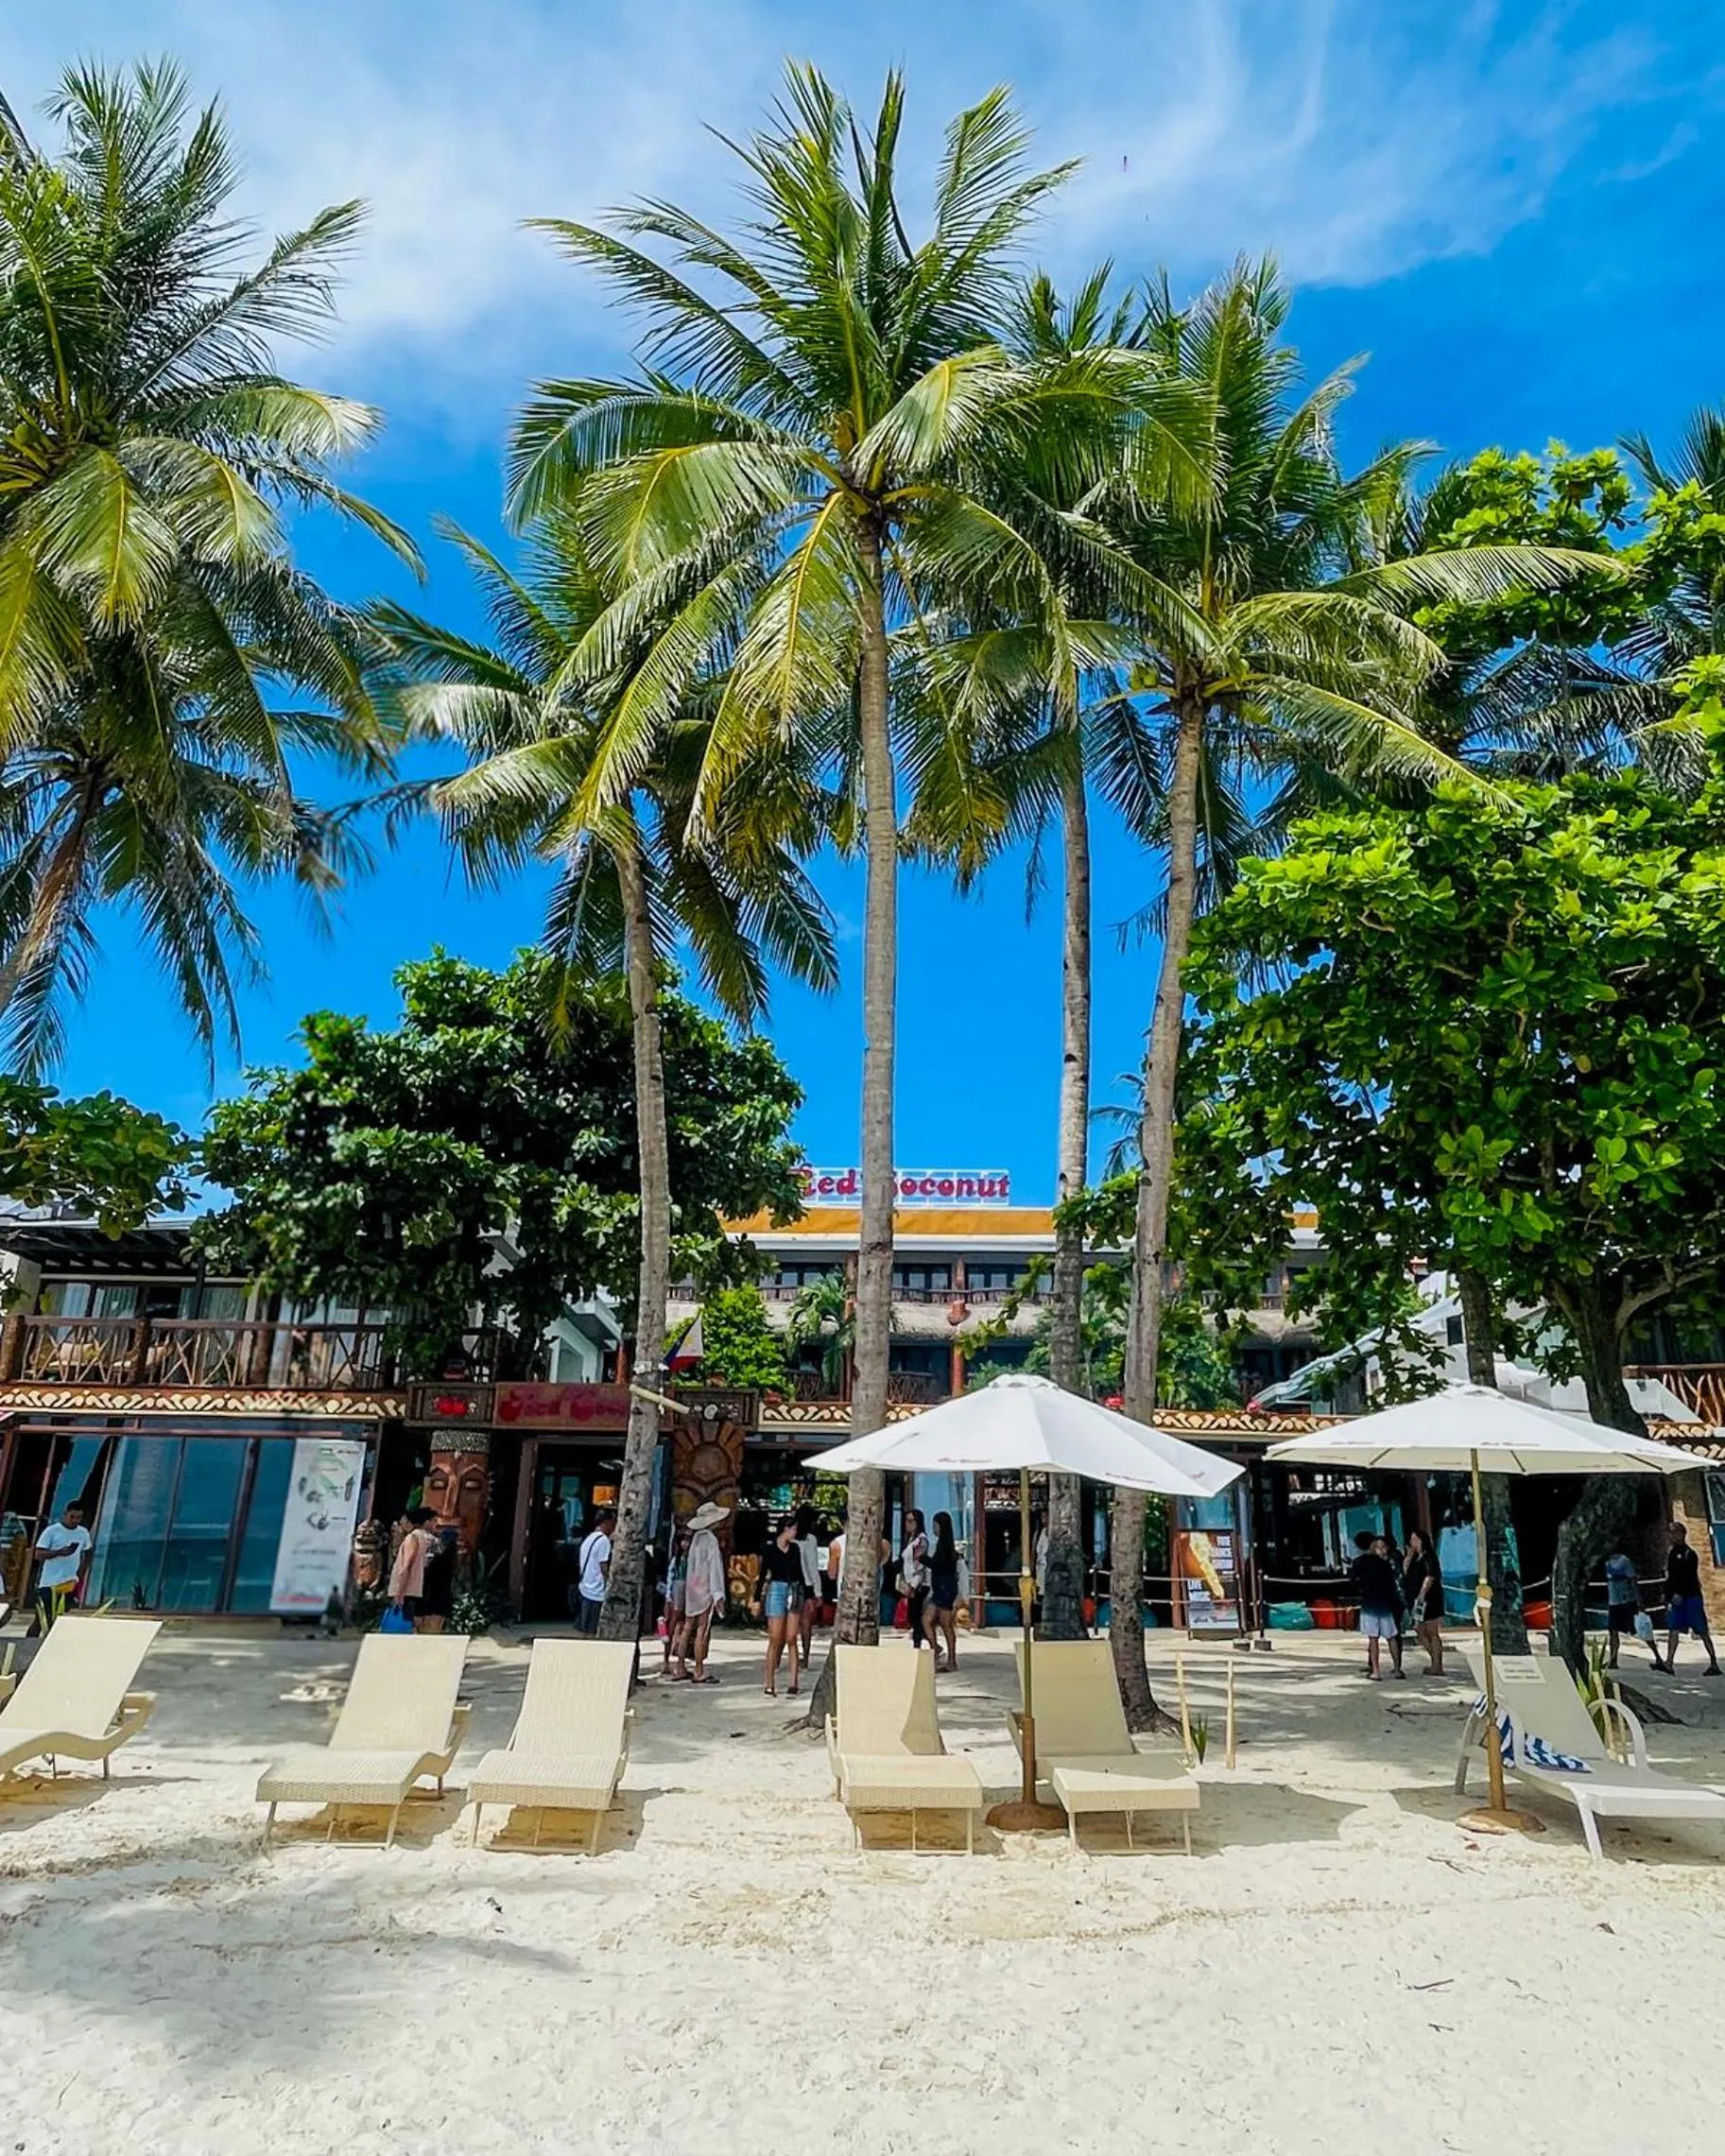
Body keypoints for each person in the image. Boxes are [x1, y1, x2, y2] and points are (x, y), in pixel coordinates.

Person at [676, 1502, 728, 1683]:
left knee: (688, 1626)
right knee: (701, 1629)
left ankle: (680, 1666)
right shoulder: (711, 1541)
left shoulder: (696, 1539)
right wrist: (718, 1594)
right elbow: (714, 1570)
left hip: (692, 1586)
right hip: (704, 1587)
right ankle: (698, 1670)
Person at [1663, 1522, 1721, 1676]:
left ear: (1682, 1534)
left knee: (1702, 1631)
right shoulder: (1671, 1553)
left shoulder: (1689, 1554)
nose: (1671, 1536)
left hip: (1691, 1598)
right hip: (1676, 1599)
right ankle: (1669, 1662)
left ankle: (1714, 1662)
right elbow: (1671, 1577)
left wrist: (1679, 1593)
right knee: (1673, 1629)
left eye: (1674, 1532)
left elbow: (1688, 1577)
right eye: (1670, 1533)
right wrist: (1667, 1593)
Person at [757, 1514, 804, 1696]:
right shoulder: (770, 1549)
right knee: (775, 1638)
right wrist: (756, 1598)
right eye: (793, 1529)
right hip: (776, 1589)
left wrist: (806, 1595)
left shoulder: (795, 1549)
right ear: (786, 1529)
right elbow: (763, 1574)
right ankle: (769, 1682)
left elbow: (799, 1572)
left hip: (793, 1588)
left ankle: (793, 1681)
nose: (795, 1533)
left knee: (791, 1638)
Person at [1350, 1529, 1404, 1680]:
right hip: (1385, 1603)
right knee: (1392, 1636)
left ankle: (1376, 1671)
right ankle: (1397, 1669)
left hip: (1369, 1603)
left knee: (1373, 1638)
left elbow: (1353, 1582)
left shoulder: (1358, 1563)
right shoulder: (1383, 1563)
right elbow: (1391, 1583)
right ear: (1372, 1543)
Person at [33, 1501, 92, 1630]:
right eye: (72, 1517)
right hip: (49, 1583)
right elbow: (38, 1554)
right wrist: (58, 1552)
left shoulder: (83, 1533)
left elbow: (88, 1553)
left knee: (63, 1619)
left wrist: (80, 1574)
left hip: (69, 1583)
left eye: (78, 1518)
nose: (75, 1521)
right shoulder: (52, 1531)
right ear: (65, 1515)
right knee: (42, 1618)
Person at [1604, 1548, 1664, 1672]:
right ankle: (1613, 1659)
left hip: (1627, 1601)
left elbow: (1633, 1581)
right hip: (1613, 1602)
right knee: (1613, 1631)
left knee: (1640, 1629)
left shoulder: (1624, 1561)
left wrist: (1638, 1601)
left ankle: (1658, 1656)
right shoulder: (1607, 1563)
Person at [1402, 1526, 1444, 1677]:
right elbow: (1405, 1572)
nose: (1412, 1542)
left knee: (1432, 1631)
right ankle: (1434, 1660)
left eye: (1415, 1539)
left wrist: (1422, 1594)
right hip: (1415, 1597)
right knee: (1419, 1629)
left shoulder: (1429, 1557)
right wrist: (1409, 1555)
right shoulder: (1415, 1558)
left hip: (1430, 1597)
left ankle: (1437, 1664)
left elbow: (1430, 1576)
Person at [923, 1510, 961, 1671]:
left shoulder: (945, 1546)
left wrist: (921, 1558)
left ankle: (952, 1660)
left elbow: (936, 1564)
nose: (934, 1528)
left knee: (946, 1624)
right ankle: (935, 1648)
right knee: (926, 1619)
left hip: (945, 1589)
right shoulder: (942, 1544)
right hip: (939, 1588)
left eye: (935, 1525)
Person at [387, 1506, 437, 1628]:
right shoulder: (422, 1537)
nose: (400, 1524)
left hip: (406, 1589)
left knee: (405, 1624)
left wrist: (399, 1593)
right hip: (413, 1588)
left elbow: (406, 1566)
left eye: (402, 1520)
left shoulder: (412, 1537)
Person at [576, 1508, 615, 1635]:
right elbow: (603, 1566)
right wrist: (612, 1581)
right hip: (596, 1591)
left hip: (585, 1586)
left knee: (585, 1628)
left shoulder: (589, 1539)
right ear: (606, 1522)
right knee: (593, 1629)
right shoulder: (604, 1541)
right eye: (612, 1523)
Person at [794, 1504, 823, 1668]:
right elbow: (813, 1567)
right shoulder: (810, 1539)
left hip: (790, 1582)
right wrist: (818, 1593)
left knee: (788, 1624)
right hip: (806, 1585)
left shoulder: (789, 1537)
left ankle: (783, 1656)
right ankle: (804, 1656)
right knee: (805, 1625)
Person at [418, 1520, 457, 1633]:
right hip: (444, 1596)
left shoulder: (438, 1558)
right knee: (437, 1628)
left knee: (427, 1630)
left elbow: (428, 1577)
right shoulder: (453, 1558)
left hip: (432, 1597)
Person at [662, 1521, 690, 1672]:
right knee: (671, 1627)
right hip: (677, 1592)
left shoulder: (691, 1560)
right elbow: (670, 1580)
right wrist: (668, 1598)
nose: (686, 1543)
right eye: (684, 1540)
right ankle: (666, 1661)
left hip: (689, 1591)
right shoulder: (676, 1561)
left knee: (686, 1627)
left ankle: (681, 1661)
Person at [900, 1509, 930, 1647]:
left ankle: (923, 1643)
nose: (908, 1524)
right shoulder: (910, 1540)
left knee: (916, 1615)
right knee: (912, 1615)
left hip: (918, 1583)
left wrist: (913, 1585)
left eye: (911, 1521)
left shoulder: (921, 1540)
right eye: (907, 1521)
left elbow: (919, 1565)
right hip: (909, 1581)